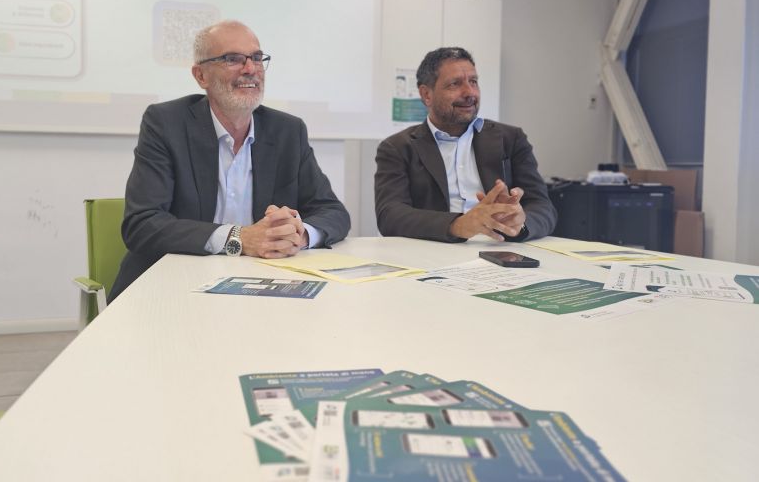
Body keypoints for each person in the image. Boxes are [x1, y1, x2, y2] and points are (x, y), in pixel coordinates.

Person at [109, 20, 350, 302]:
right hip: (170, 287)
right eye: (233, 59)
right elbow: (142, 224)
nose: (250, 69)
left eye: (257, 58)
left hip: (261, 288)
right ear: (201, 75)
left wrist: (298, 234)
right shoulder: (166, 123)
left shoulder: (288, 131)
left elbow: (333, 211)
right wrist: (239, 238)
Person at [374, 47, 556, 244]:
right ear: (427, 95)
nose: (470, 92)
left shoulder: (511, 139)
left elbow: (543, 207)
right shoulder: (397, 147)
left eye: (473, 82)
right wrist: (457, 225)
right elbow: (390, 215)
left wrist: (520, 223)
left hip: (499, 249)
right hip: (434, 249)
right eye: (455, 84)